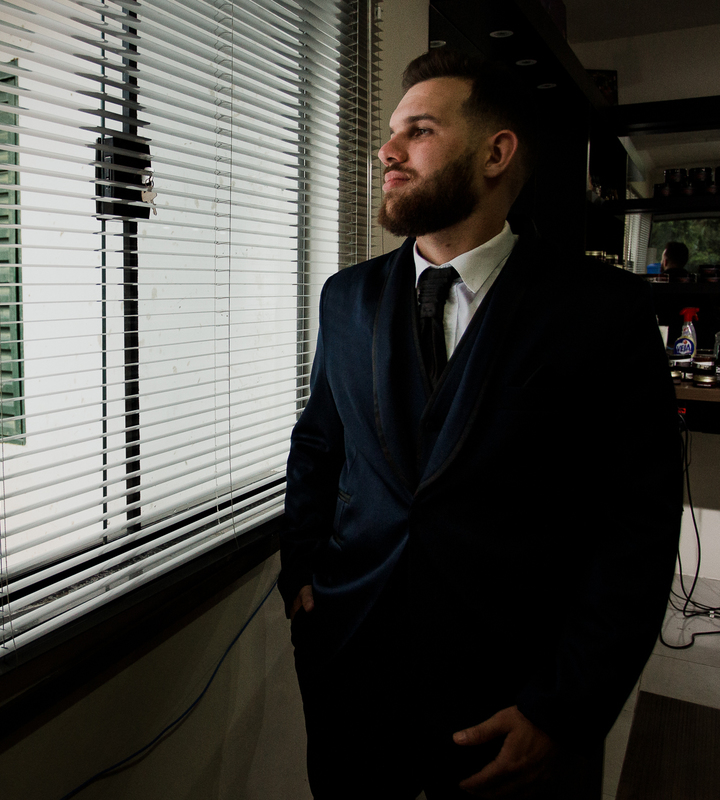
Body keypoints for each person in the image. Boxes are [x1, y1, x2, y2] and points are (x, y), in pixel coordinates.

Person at [279, 48, 682, 799]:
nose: (387, 150)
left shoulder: (602, 310)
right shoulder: (346, 298)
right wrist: (300, 571)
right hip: (352, 670)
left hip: (514, 697)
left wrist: (566, 707)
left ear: (496, 153)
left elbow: (638, 527)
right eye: (391, 131)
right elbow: (320, 442)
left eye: (419, 131)